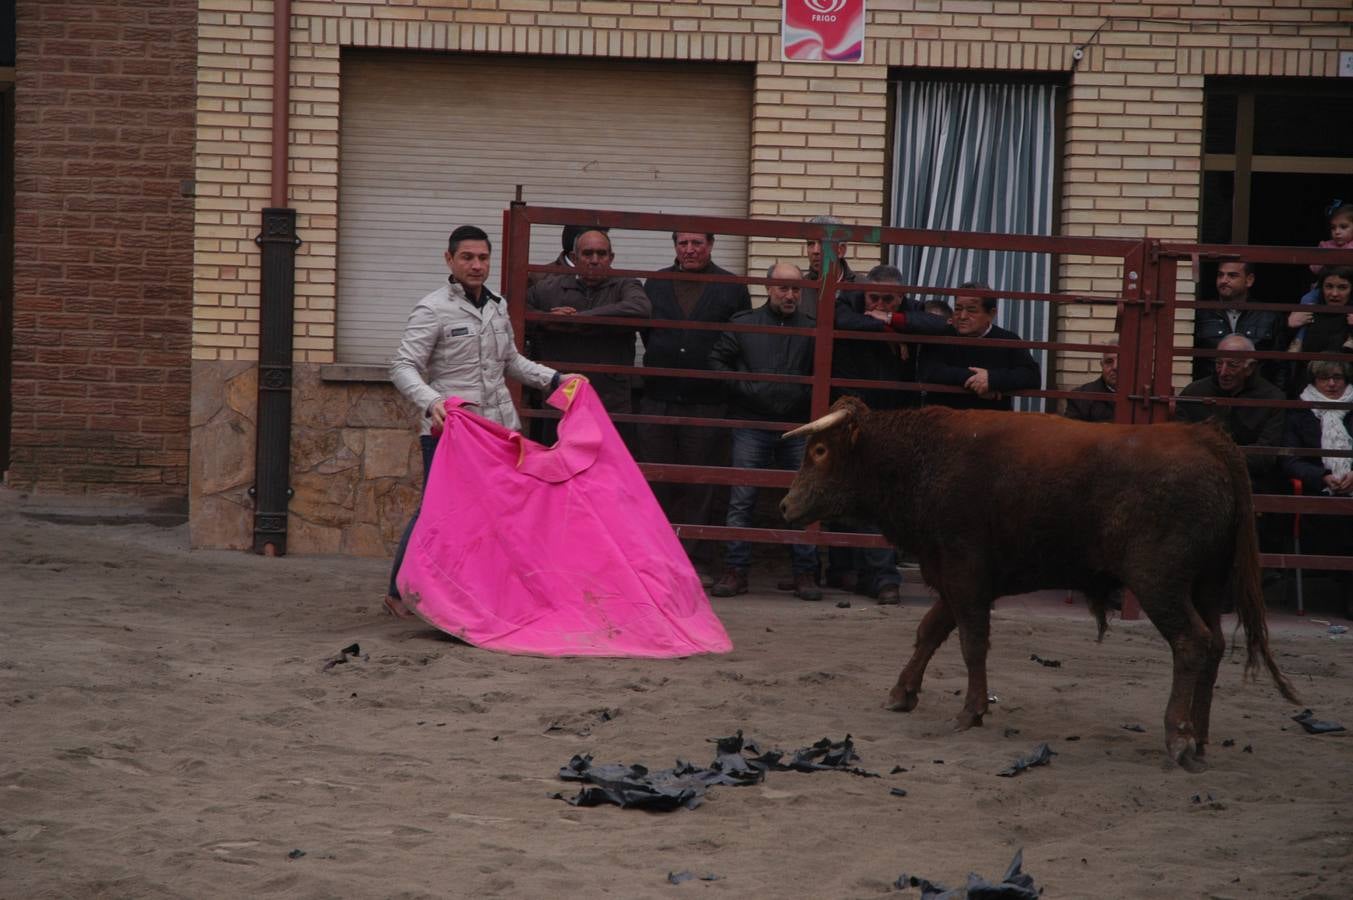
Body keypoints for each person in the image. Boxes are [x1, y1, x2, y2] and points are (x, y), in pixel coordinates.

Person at [384, 225, 570, 618]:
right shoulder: (432, 308)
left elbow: (512, 362)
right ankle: (398, 592)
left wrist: (555, 380)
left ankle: (478, 593)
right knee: (439, 513)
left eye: (483, 258)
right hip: (452, 431)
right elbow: (403, 366)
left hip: (500, 430)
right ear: (449, 260)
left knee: (496, 514)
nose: (476, 265)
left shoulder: (497, 305)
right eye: (467, 257)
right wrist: (432, 401)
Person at [824, 264, 949, 604]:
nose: (880, 304)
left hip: (895, 419)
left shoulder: (908, 312)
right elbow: (839, 321)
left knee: (882, 496)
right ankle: (849, 572)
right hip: (852, 414)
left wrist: (892, 322)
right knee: (845, 493)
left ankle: (881, 577)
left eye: (889, 300)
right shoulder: (848, 303)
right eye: (874, 297)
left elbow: (938, 324)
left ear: (903, 296)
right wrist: (887, 325)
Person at [639, 231, 752, 580]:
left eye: (697, 244)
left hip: (707, 400)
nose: (689, 250)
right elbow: (647, 333)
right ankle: (656, 560)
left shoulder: (732, 287)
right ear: (674, 246)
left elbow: (739, 338)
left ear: (711, 245)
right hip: (658, 397)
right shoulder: (656, 283)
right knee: (656, 480)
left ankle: (695, 561)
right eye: (683, 244)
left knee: (700, 482)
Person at [706, 262, 821, 601]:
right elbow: (716, 361)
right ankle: (735, 571)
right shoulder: (744, 325)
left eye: (796, 289)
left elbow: (825, 368)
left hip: (797, 427)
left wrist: (801, 396)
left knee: (804, 500)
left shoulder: (812, 328)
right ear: (768, 288)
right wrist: (748, 388)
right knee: (742, 499)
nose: (790, 295)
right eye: (783, 288)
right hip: (751, 423)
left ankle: (805, 574)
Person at [527, 229, 650, 446]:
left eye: (601, 254)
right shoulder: (550, 288)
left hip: (610, 400)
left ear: (611, 258)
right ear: (574, 258)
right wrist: (545, 319)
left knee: (609, 471)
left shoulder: (625, 284)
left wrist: (578, 319)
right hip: (563, 400)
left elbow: (640, 308)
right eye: (588, 254)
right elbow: (515, 310)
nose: (595, 260)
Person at [1175, 334, 1286, 551]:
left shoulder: (1272, 398)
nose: (1223, 372)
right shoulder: (1194, 393)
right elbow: (1180, 445)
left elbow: (1265, 457)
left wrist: (1214, 457)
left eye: (1232, 365)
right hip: (1198, 483)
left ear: (1250, 366)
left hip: (1250, 485)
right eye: (1218, 364)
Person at [1281, 358, 1353, 612]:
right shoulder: (1300, 412)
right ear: (1314, 381)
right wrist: (1322, 476)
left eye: (1338, 378)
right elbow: (1290, 461)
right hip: (1318, 489)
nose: (1332, 384)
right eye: (1325, 378)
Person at [918, 281, 1041, 410]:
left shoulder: (1007, 339)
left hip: (991, 421)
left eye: (971, 310)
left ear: (991, 314)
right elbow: (928, 371)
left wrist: (992, 379)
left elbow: (1032, 376)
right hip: (946, 420)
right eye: (958, 309)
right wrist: (975, 380)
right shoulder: (941, 335)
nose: (963, 316)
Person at [1192, 260, 1283, 382]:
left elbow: (1280, 365)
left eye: (1232, 275)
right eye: (1220, 275)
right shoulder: (1202, 313)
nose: (1224, 280)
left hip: (1254, 395)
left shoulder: (1268, 316)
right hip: (1212, 394)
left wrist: (1275, 398)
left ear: (1249, 280)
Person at [801, 214, 858, 320]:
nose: (815, 251)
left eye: (823, 243)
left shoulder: (862, 286)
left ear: (841, 250)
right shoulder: (800, 288)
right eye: (810, 244)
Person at [1063, 337, 1119, 423]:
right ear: (1102, 365)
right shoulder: (1079, 398)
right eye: (1109, 361)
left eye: (1121, 360)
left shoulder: (1140, 397)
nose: (1115, 367)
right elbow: (1072, 432)